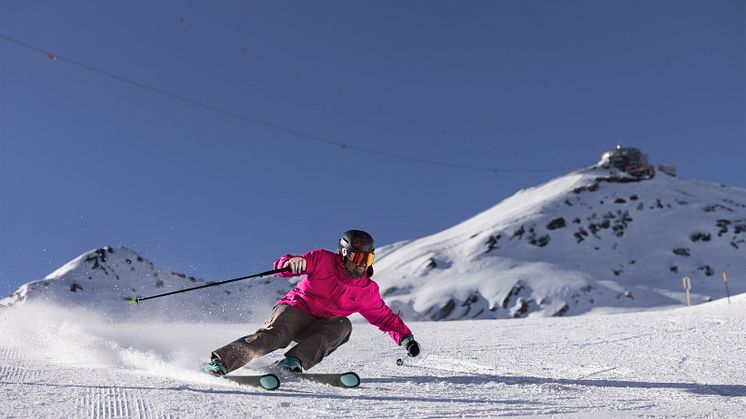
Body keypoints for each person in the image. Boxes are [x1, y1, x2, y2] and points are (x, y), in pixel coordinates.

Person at [202, 229, 420, 375]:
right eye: (359, 258)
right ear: (344, 255)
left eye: (368, 259)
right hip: (296, 309)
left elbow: (385, 318)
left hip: (319, 326)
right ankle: (221, 362)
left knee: (344, 325)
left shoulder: (366, 290)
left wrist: (406, 339)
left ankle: (293, 362)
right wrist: (292, 263)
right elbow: (287, 265)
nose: (363, 265)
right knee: (277, 336)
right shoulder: (323, 259)